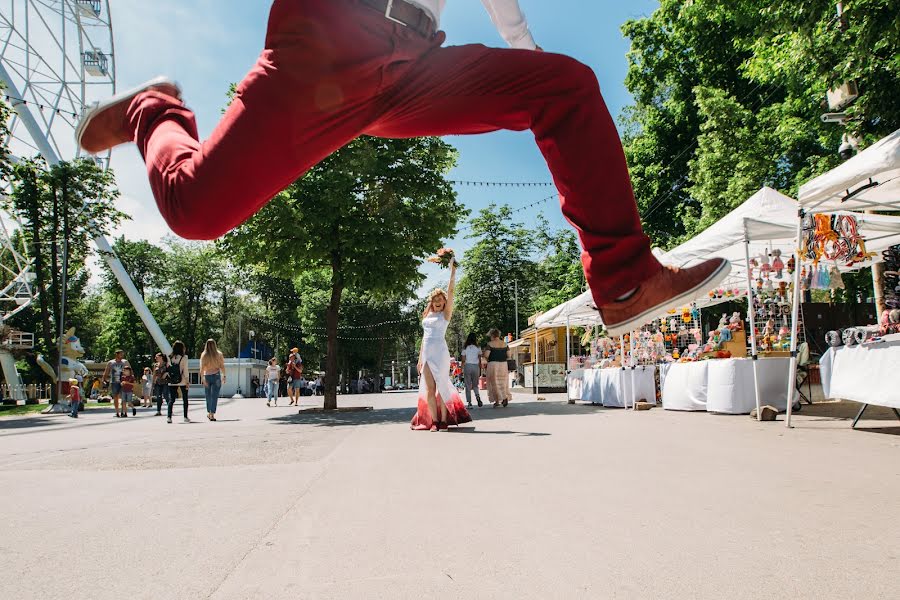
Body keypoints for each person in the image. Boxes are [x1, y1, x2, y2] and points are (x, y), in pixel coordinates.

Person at [76, 0, 731, 338]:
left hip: (409, 63)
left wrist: (527, 65)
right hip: (327, 40)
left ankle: (624, 280)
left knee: (565, 87)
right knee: (196, 210)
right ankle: (152, 107)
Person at [411, 259, 471, 431]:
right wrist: (420, 358)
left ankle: (444, 420)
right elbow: (424, 338)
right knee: (430, 389)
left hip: (441, 353)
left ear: (444, 302)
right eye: (435, 299)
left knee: (442, 387)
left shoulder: (445, 315)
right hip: (428, 355)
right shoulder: (427, 316)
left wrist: (453, 271)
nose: (438, 301)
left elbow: (451, 291)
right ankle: (435, 421)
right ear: (432, 301)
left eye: (441, 299)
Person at [199, 339, 226, 421]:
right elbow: (222, 366)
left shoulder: (204, 355)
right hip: (216, 376)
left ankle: (209, 412)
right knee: (214, 396)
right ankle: (212, 413)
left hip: (207, 376)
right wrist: (224, 376)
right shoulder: (219, 354)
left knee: (208, 396)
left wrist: (202, 377)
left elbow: (202, 367)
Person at [484, 328, 512, 408]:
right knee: (503, 382)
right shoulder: (505, 344)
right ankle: (505, 397)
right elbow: (509, 355)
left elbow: (486, 355)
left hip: (493, 364)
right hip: (503, 364)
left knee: (494, 383)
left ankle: (497, 401)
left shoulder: (490, 344)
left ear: (492, 335)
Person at [168, 340, 191, 424]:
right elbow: (185, 370)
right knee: (185, 399)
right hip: (182, 380)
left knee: (171, 399)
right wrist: (187, 381)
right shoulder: (184, 358)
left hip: (172, 380)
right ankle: (185, 417)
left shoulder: (170, 357)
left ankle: (169, 417)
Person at [102, 349, 130, 418]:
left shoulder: (125, 362)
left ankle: (123, 412)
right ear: (116, 354)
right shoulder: (111, 362)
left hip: (123, 382)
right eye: (121, 354)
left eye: (122, 354)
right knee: (115, 397)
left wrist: (130, 380)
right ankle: (117, 412)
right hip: (114, 382)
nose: (122, 355)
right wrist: (104, 379)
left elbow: (130, 371)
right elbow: (107, 371)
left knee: (123, 397)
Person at [462, 333, 483, 408]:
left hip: (467, 366)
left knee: (467, 385)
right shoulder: (478, 347)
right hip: (475, 367)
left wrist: (462, 368)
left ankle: (469, 403)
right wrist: (480, 368)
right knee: (475, 385)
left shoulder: (465, 348)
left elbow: (463, 360)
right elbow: (480, 359)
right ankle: (477, 396)